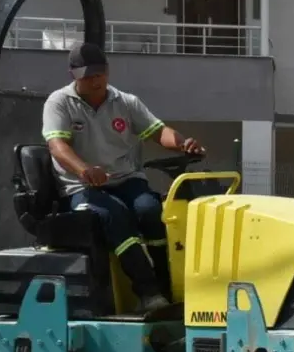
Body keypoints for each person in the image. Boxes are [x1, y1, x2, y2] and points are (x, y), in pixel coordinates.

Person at [42, 42, 204, 314]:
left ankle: (168, 288)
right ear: (74, 75)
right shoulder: (60, 103)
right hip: (81, 186)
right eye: (87, 75)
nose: (95, 80)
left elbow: (158, 131)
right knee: (114, 215)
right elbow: (58, 147)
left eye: (99, 74)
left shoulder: (126, 102)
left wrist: (182, 143)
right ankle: (147, 292)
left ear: (107, 71)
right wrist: (84, 170)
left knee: (150, 209)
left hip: (125, 179)